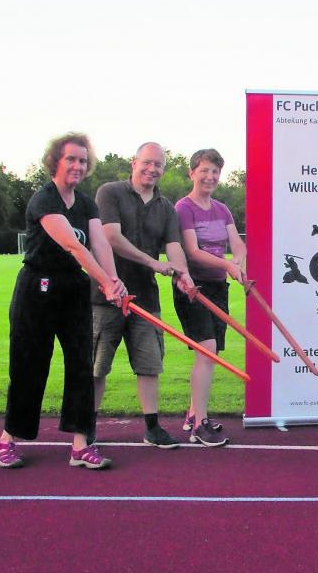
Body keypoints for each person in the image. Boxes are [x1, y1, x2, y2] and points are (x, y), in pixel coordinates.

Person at [0, 133, 126, 470]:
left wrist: (114, 282)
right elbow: (74, 246)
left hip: (73, 291)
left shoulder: (86, 204)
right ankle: (8, 439)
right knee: (28, 365)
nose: (78, 166)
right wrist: (105, 283)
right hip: (36, 289)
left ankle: (81, 445)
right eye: (71, 159)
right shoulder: (43, 199)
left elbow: (100, 244)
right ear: (56, 161)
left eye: (83, 160)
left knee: (82, 366)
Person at [92, 142, 194, 448]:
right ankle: (88, 425)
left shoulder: (166, 207)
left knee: (150, 365)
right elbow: (111, 237)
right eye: (147, 163)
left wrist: (183, 274)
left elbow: (174, 247)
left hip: (146, 298)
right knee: (96, 366)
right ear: (134, 162)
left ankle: (152, 428)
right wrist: (154, 263)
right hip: (106, 294)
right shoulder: (109, 192)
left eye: (159, 165)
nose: (152, 169)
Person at [172, 149, 246, 447]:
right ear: (192, 173)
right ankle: (199, 424)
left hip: (217, 287)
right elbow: (192, 251)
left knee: (210, 354)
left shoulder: (222, 209)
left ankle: (194, 413)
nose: (210, 177)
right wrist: (227, 264)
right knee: (208, 349)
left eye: (215, 172)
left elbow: (238, 245)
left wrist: (237, 263)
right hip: (193, 287)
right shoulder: (183, 208)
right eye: (204, 170)